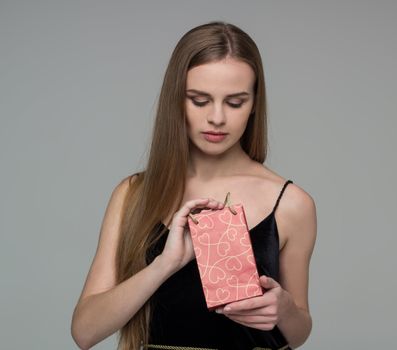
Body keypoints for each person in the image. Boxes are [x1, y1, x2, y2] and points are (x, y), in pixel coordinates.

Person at [71, 21, 317, 350]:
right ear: (177, 100)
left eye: (235, 102)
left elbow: (298, 332)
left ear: (255, 103)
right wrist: (165, 265)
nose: (217, 118)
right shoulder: (133, 195)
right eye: (199, 100)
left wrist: (283, 309)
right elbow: (84, 332)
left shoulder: (291, 203)